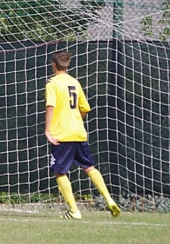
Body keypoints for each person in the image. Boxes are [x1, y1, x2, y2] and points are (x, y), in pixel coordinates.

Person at [44, 50, 121, 219]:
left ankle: (74, 211)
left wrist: (48, 131)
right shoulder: (75, 82)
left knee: (59, 171)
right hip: (78, 132)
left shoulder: (53, 83)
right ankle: (109, 199)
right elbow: (85, 108)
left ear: (54, 65)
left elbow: (50, 106)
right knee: (89, 167)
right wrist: (75, 120)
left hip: (62, 134)